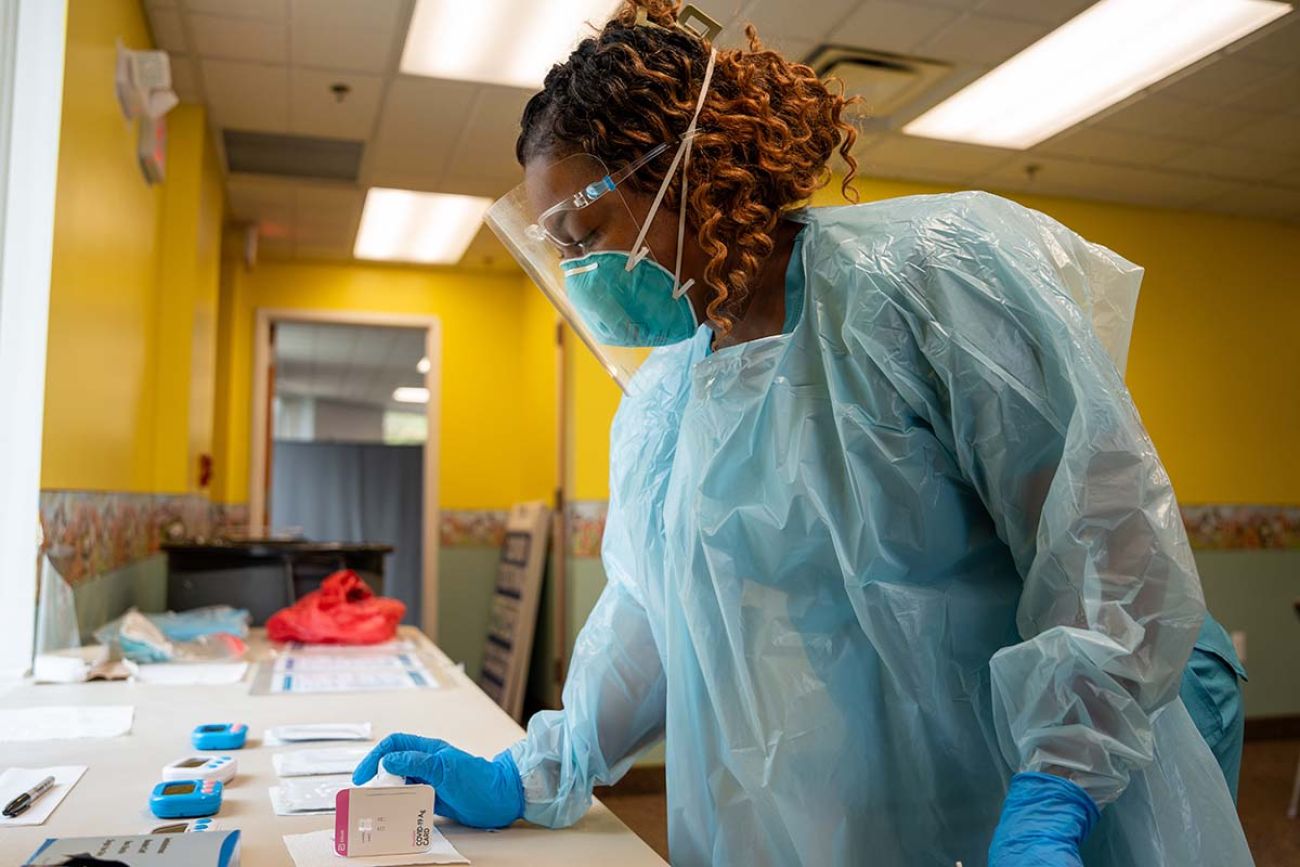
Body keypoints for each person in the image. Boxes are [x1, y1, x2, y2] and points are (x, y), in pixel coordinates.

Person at [354, 2, 1250, 863]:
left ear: (689, 171)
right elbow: (651, 617)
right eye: (563, 249)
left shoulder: (927, 282)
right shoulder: (669, 398)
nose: (581, 271)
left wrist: (1058, 788)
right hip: (828, 809)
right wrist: (535, 769)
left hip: (1029, 789)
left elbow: (1104, 539)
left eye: (587, 232)